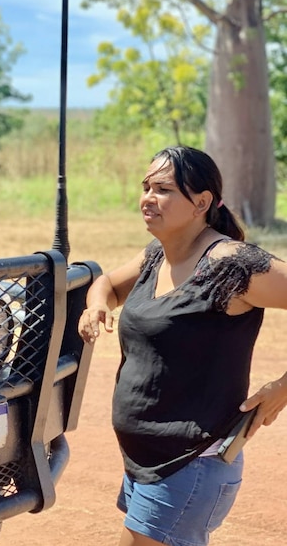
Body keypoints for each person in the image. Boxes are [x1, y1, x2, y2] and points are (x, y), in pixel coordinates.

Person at [78, 145, 287, 546]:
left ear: (201, 203)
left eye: (163, 189)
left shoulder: (231, 265)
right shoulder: (159, 255)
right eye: (146, 187)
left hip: (191, 462)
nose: (148, 198)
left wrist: (282, 388)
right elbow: (105, 283)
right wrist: (97, 306)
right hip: (147, 462)